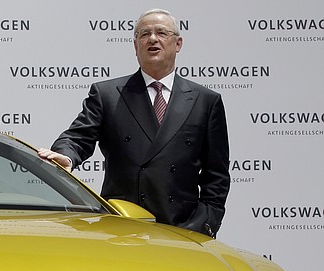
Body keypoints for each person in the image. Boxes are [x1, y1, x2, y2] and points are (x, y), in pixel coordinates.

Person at [38, 9, 230, 236]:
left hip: (183, 231)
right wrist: (66, 155)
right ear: (135, 45)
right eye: (144, 34)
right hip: (122, 229)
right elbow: (77, 137)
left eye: (161, 32)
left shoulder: (205, 100)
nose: (152, 39)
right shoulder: (108, 94)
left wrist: (203, 225)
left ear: (178, 44)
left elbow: (217, 176)